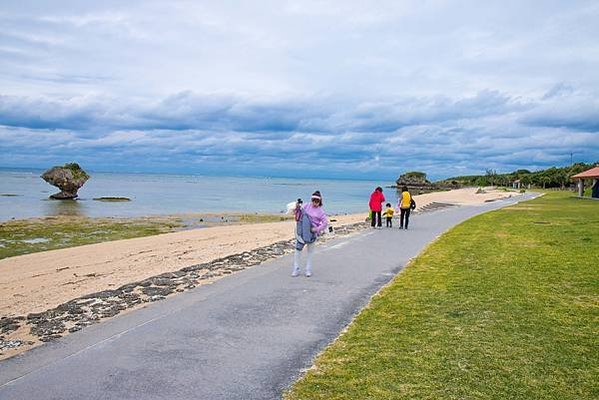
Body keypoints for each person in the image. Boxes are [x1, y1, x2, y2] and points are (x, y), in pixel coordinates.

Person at [292, 191, 328, 277]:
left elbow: (325, 223)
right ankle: (296, 268)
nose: (315, 203)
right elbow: (298, 213)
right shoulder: (306, 206)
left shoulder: (320, 211)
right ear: (311, 200)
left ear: (320, 202)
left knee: (310, 252)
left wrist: (316, 229)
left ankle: (308, 269)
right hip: (302, 232)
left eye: (317, 201)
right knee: (298, 250)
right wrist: (296, 207)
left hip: (312, 233)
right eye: (313, 200)